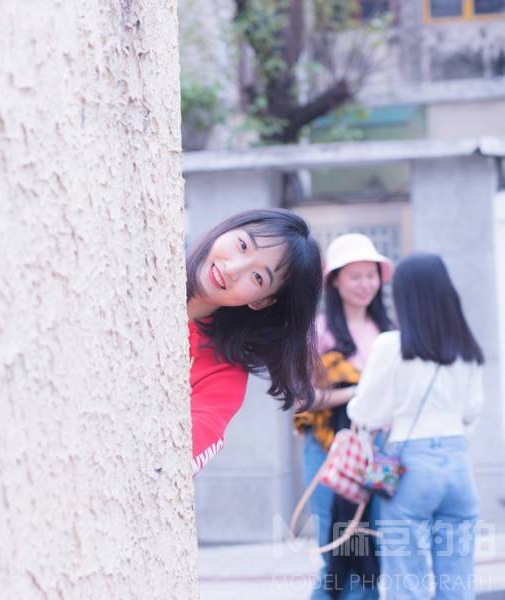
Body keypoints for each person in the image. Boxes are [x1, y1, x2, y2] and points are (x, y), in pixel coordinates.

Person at [348, 253, 484, 600]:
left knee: (406, 581)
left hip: (410, 463)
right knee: (458, 583)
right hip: (458, 463)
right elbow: (472, 411)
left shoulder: (391, 346)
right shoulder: (466, 348)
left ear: (404, 297)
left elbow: (366, 412)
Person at [294, 233, 394, 599]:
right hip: (327, 449)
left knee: (373, 548)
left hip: (379, 451)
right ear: (335, 280)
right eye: (356, 276)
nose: (366, 284)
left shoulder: (389, 332)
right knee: (337, 547)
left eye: (371, 275)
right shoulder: (318, 331)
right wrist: (355, 394)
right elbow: (301, 398)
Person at [187, 208, 323, 472]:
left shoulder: (224, 373)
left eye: (258, 277)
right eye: (242, 245)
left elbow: (182, 456)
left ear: (261, 301)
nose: (233, 269)